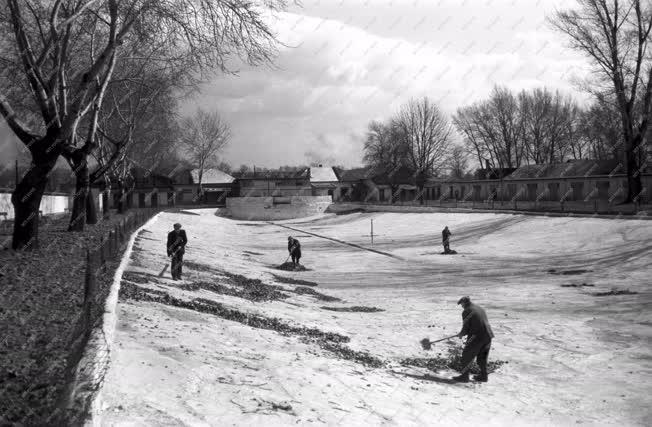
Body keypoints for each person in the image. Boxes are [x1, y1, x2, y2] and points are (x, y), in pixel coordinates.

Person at [453, 296, 494, 383]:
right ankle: (484, 376)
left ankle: (464, 377)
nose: (461, 306)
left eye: (461, 304)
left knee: (466, 356)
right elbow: (479, 322)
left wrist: (461, 334)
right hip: (488, 335)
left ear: (464, 303)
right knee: (482, 358)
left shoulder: (467, 311)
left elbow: (466, 327)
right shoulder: (480, 308)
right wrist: (463, 333)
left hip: (476, 336)